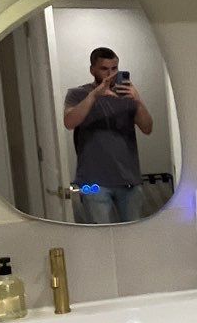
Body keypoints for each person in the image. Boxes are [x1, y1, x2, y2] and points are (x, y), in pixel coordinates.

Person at [63, 46, 154, 223]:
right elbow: (69, 122)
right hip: (93, 182)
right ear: (92, 70)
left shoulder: (127, 95)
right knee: (101, 238)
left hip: (129, 180)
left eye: (114, 68)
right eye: (104, 69)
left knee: (133, 236)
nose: (110, 74)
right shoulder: (78, 94)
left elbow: (147, 128)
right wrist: (94, 96)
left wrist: (138, 100)